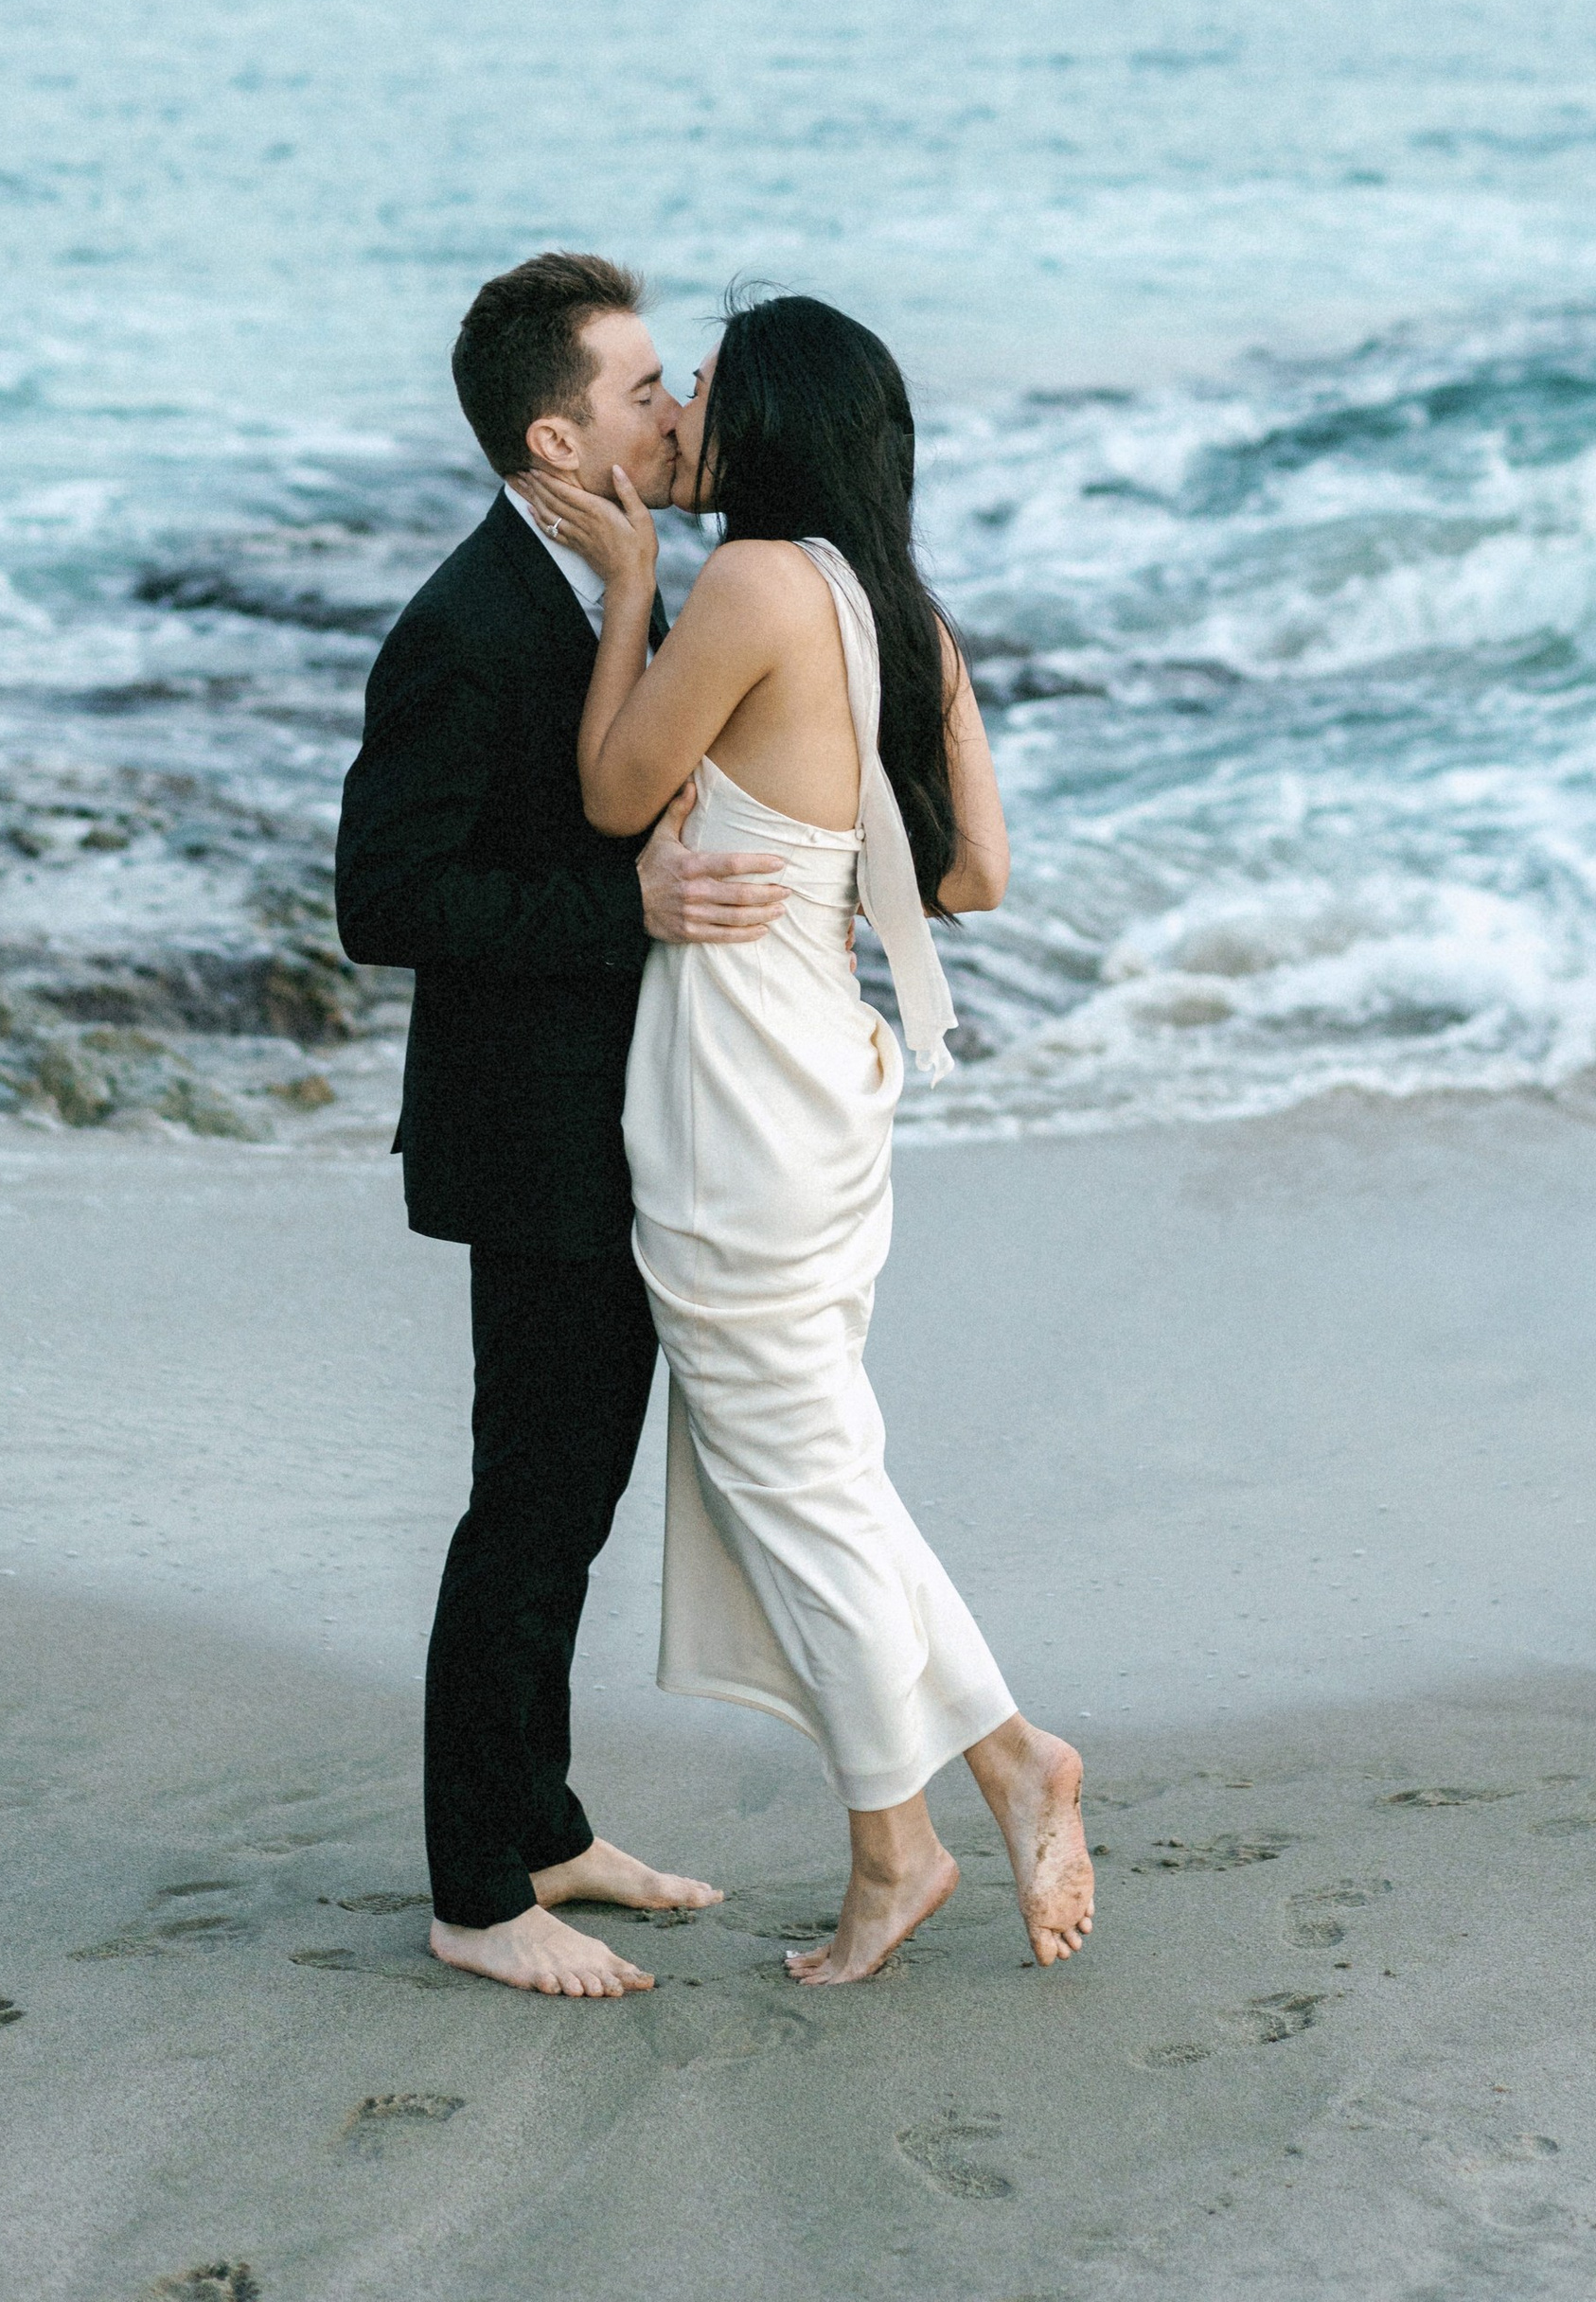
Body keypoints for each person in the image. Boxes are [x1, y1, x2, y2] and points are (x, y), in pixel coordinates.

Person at [537, 292, 1094, 1985]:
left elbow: (616, 796)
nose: (679, 415)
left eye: (700, 389)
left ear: (771, 420)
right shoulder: (892, 612)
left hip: (739, 1096)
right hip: (832, 1076)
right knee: (820, 1468)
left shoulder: (755, 582)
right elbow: (973, 875)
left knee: (800, 1487)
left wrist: (633, 590)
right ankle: (1007, 1757)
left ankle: (895, 1847)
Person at [334, 251, 788, 2001]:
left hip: (607, 1123)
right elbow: (386, 901)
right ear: (555, 433)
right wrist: (634, 919)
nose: (676, 411)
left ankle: (543, 1827)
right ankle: (472, 1890)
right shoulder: (463, 626)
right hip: (528, 1139)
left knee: (571, 1498)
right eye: (645, 389)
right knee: (524, 1510)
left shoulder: (605, 580)